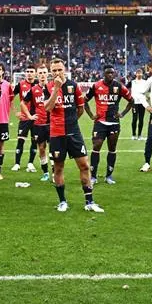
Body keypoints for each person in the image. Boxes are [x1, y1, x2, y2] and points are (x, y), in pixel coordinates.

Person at [46, 58, 104, 213]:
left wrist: (70, 122)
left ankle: (89, 202)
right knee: (58, 168)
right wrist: (56, 89)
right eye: (54, 70)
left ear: (64, 69)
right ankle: (62, 201)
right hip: (57, 134)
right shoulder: (49, 86)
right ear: (51, 72)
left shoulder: (74, 86)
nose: (57, 73)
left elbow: (80, 109)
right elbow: (48, 108)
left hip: (74, 133)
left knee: (84, 165)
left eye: (59, 69)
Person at [84, 64, 133, 185]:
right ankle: (93, 176)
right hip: (100, 122)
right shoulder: (96, 86)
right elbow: (84, 100)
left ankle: (109, 176)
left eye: (112, 73)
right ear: (103, 74)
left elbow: (132, 101)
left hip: (114, 123)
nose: (110, 75)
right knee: (97, 146)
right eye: (108, 73)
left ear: (114, 74)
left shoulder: (119, 86)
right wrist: (91, 115)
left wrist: (122, 114)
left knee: (112, 148)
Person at [20, 64, 52, 181]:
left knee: (53, 149)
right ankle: (45, 173)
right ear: (37, 75)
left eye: (44, 73)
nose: (42, 75)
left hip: (51, 124)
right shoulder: (33, 90)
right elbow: (23, 103)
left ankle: (54, 173)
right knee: (42, 148)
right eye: (40, 73)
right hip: (38, 124)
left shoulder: (52, 88)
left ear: (47, 74)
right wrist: (29, 116)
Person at [11, 65, 38, 171]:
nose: (29, 73)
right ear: (25, 73)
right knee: (20, 141)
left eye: (31, 71)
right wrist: (15, 112)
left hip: (36, 118)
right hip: (24, 118)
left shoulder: (39, 84)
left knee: (34, 141)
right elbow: (10, 97)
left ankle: (31, 163)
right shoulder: (20, 85)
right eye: (27, 71)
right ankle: (17, 163)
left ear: (35, 73)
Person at [0, 62, 15, 180]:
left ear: (3, 72)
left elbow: (11, 100)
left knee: (0, 145)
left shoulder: (7, 85)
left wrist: (14, 113)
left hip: (3, 120)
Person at [126, 68, 148, 140]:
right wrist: (129, 97)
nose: (139, 74)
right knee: (135, 118)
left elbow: (149, 90)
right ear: (136, 74)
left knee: (141, 119)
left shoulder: (145, 82)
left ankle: (139, 135)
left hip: (142, 103)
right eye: (138, 73)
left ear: (142, 74)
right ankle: (133, 135)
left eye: (140, 73)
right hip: (134, 102)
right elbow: (125, 88)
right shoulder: (132, 82)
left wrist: (148, 96)